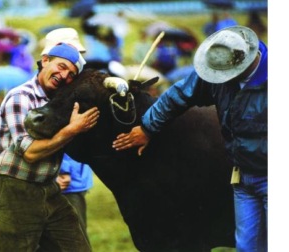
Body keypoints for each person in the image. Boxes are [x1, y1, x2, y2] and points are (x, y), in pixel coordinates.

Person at [112, 26, 267, 252]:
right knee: (247, 246)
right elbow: (178, 95)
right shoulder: (220, 71)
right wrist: (147, 127)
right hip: (242, 177)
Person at [0, 42, 99, 251]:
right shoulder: (21, 96)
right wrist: (73, 129)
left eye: (71, 74)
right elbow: (30, 152)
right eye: (62, 67)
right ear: (45, 61)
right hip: (14, 189)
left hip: (49, 188)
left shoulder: (60, 102)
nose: (64, 76)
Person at [40, 27, 94, 245]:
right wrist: (65, 171)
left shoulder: (66, 86)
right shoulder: (55, 90)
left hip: (72, 181)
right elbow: (63, 133)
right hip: (65, 181)